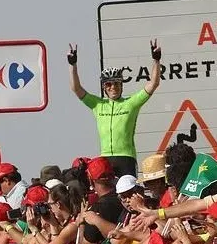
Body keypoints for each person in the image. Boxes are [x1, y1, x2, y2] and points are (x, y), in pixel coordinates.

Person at [67, 40, 162, 177]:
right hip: (105, 158)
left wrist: (156, 60)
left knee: (128, 195)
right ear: (104, 87)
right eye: (109, 84)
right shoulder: (97, 104)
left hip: (126, 158)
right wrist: (72, 65)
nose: (113, 87)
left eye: (117, 84)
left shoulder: (131, 103)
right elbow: (76, 88)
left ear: (122, 85)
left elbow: (154, 83)